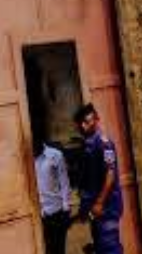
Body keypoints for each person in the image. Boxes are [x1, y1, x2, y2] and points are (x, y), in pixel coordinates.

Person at [74, 103, 124, 254]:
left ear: (96, 120)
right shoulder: (87, 145)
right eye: (80, 123)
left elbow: (110, 175)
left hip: (107, 206)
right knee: (100, 247)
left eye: (87, 122)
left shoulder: (103, 143)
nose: (83, 126)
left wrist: (99, 203)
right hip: (95, 207)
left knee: (109, 247)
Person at [34, 138, 72, 254]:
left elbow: (64, 182)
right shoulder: (24, 157)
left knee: (58, 249)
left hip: (56, 212)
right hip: (37, 215)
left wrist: (66, 209)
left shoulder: (55, 155)